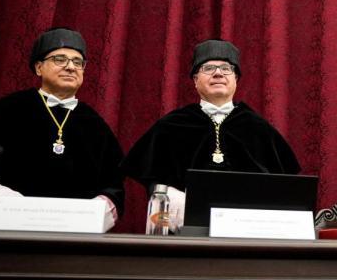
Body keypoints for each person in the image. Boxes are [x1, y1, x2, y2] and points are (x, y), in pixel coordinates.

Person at [0, 28, 124, 229]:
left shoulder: (96, 125)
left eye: (78, 62)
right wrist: (11, 206)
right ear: (39, 67)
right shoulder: (7, 110)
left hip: (73, 238)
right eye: (60, 59)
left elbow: (114, 189)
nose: (70, 67)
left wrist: (84, 217)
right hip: (5, 234)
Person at [122, 39, 300, 228]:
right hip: (185, 231)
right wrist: (169, 196)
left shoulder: (259, 128)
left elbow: (282, 184)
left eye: (226, 68)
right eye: (208, 68)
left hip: (248, 232)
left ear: (236, 79)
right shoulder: (171, 125)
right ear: (195, 79)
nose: (218, 73)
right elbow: (154, 182)